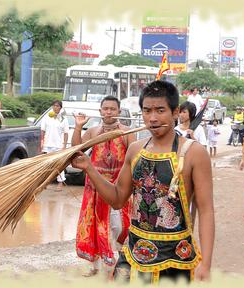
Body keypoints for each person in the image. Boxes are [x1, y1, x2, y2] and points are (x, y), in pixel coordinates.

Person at [71, 80, 214, 283]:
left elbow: (206, 210)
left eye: (160, 110)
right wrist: (89, 168)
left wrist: (206, 264)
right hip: (133, 255)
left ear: (175, 112)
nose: (153, 118)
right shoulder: (136, 149)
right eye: (147, 111)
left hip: (176, 259)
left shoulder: (193, 153)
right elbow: (118, 199)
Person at [71, 96, 136, 277]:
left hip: (117, 189)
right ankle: (97, 267)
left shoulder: (127, 132)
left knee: (117, 226)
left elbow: (134, 159)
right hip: (94, 188)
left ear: (119, 112)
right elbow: (76, 150)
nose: (108, 112)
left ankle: (116, 265)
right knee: (94, 225)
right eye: (105, 109)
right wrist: (78, 126)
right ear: (100, 111)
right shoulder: (93, 131)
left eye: (112, 109)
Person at [40, 100, 69, 190]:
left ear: (60, 108)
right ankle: (45, 182)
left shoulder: (63, 119)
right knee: (47, 164)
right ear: (52, 107)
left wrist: (64, 145)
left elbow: (66, 133)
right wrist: (42, 142)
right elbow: (42, 131)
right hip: (47, 144)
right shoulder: (47, 117)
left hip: (58, 145)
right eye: (54, 106)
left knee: (59, 165)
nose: (56, 107)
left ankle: (60, 183)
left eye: (58, 106)